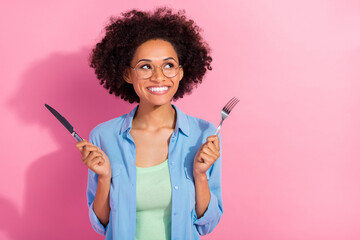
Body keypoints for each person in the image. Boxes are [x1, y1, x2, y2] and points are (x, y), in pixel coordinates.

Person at [76, 7, 223, 240]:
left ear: (181, 72)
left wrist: (201, 175)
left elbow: (207, 224)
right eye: (145, 66)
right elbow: (102, 225)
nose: (158, 76)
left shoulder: (203, 134)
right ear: (127, 74)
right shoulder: (103, 136)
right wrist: (104, 177)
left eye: (168, 65)